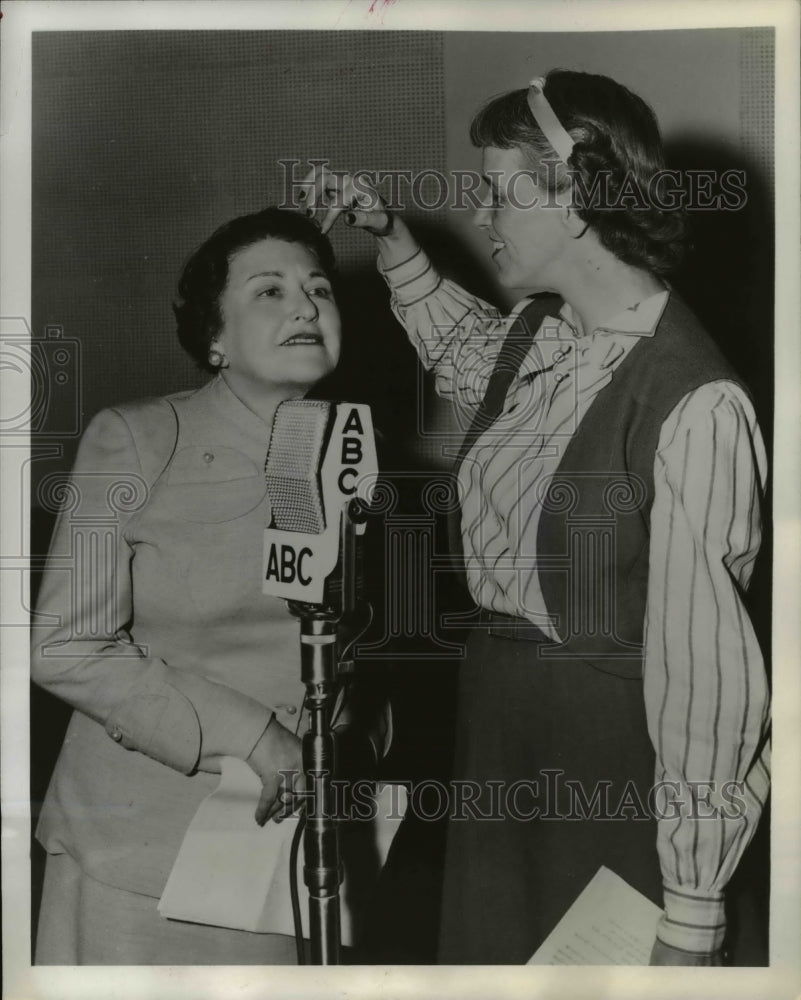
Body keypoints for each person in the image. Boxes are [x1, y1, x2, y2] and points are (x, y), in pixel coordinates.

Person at [302, 69, 770, 966]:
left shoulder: (696, 402)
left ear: (578, 198)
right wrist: (392, 241)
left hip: (610, 764)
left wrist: (694, 909)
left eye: (495, 192)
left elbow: (708, 683)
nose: (479, 216)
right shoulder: (547, 338)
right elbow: (465, 349)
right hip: (499, 734)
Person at [31, 207, 386, 964]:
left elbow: (358, 649)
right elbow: (64, 646)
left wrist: (352, 746)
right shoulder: (133, 439)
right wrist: (255, 736)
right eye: (270, 291)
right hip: (140, 856)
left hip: (287, 854)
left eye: (319, 289)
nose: (304, 305)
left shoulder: (354, 452)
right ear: (214, 339)